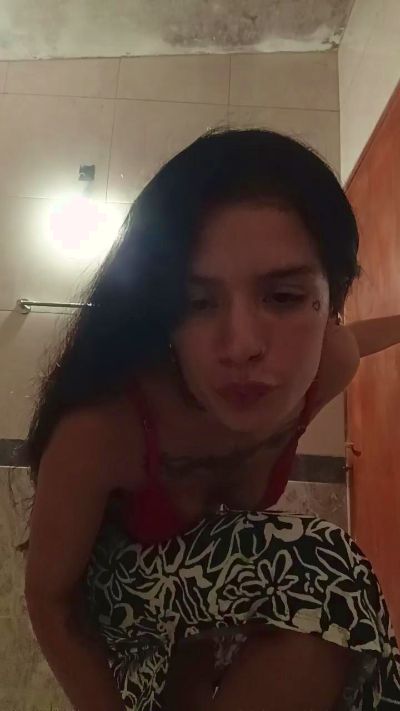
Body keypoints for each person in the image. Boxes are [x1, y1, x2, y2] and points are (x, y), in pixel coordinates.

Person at [21, 128, 400, 710]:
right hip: (122, 636)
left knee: (323, 632)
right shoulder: (104, 429)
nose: (241, 345)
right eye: (196, 303)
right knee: (318, 563)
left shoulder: (329, 363)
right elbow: (51, 602)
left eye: (283, 297)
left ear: (333, 300)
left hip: (213, 621)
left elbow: (360, 339)